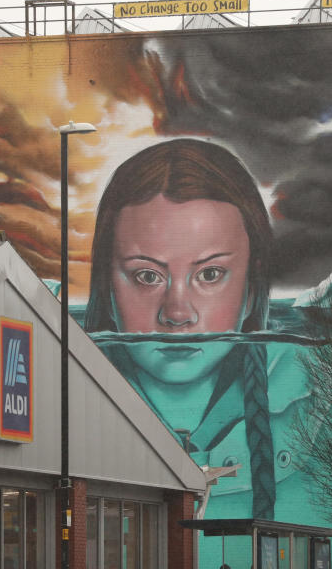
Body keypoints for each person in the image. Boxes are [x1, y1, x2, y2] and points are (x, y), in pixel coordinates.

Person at [83, 139, 277, 519]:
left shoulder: (330, 414)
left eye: (209, 274)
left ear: (253, 288)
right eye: (147, 275)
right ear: (106, 285)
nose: (177, 313)